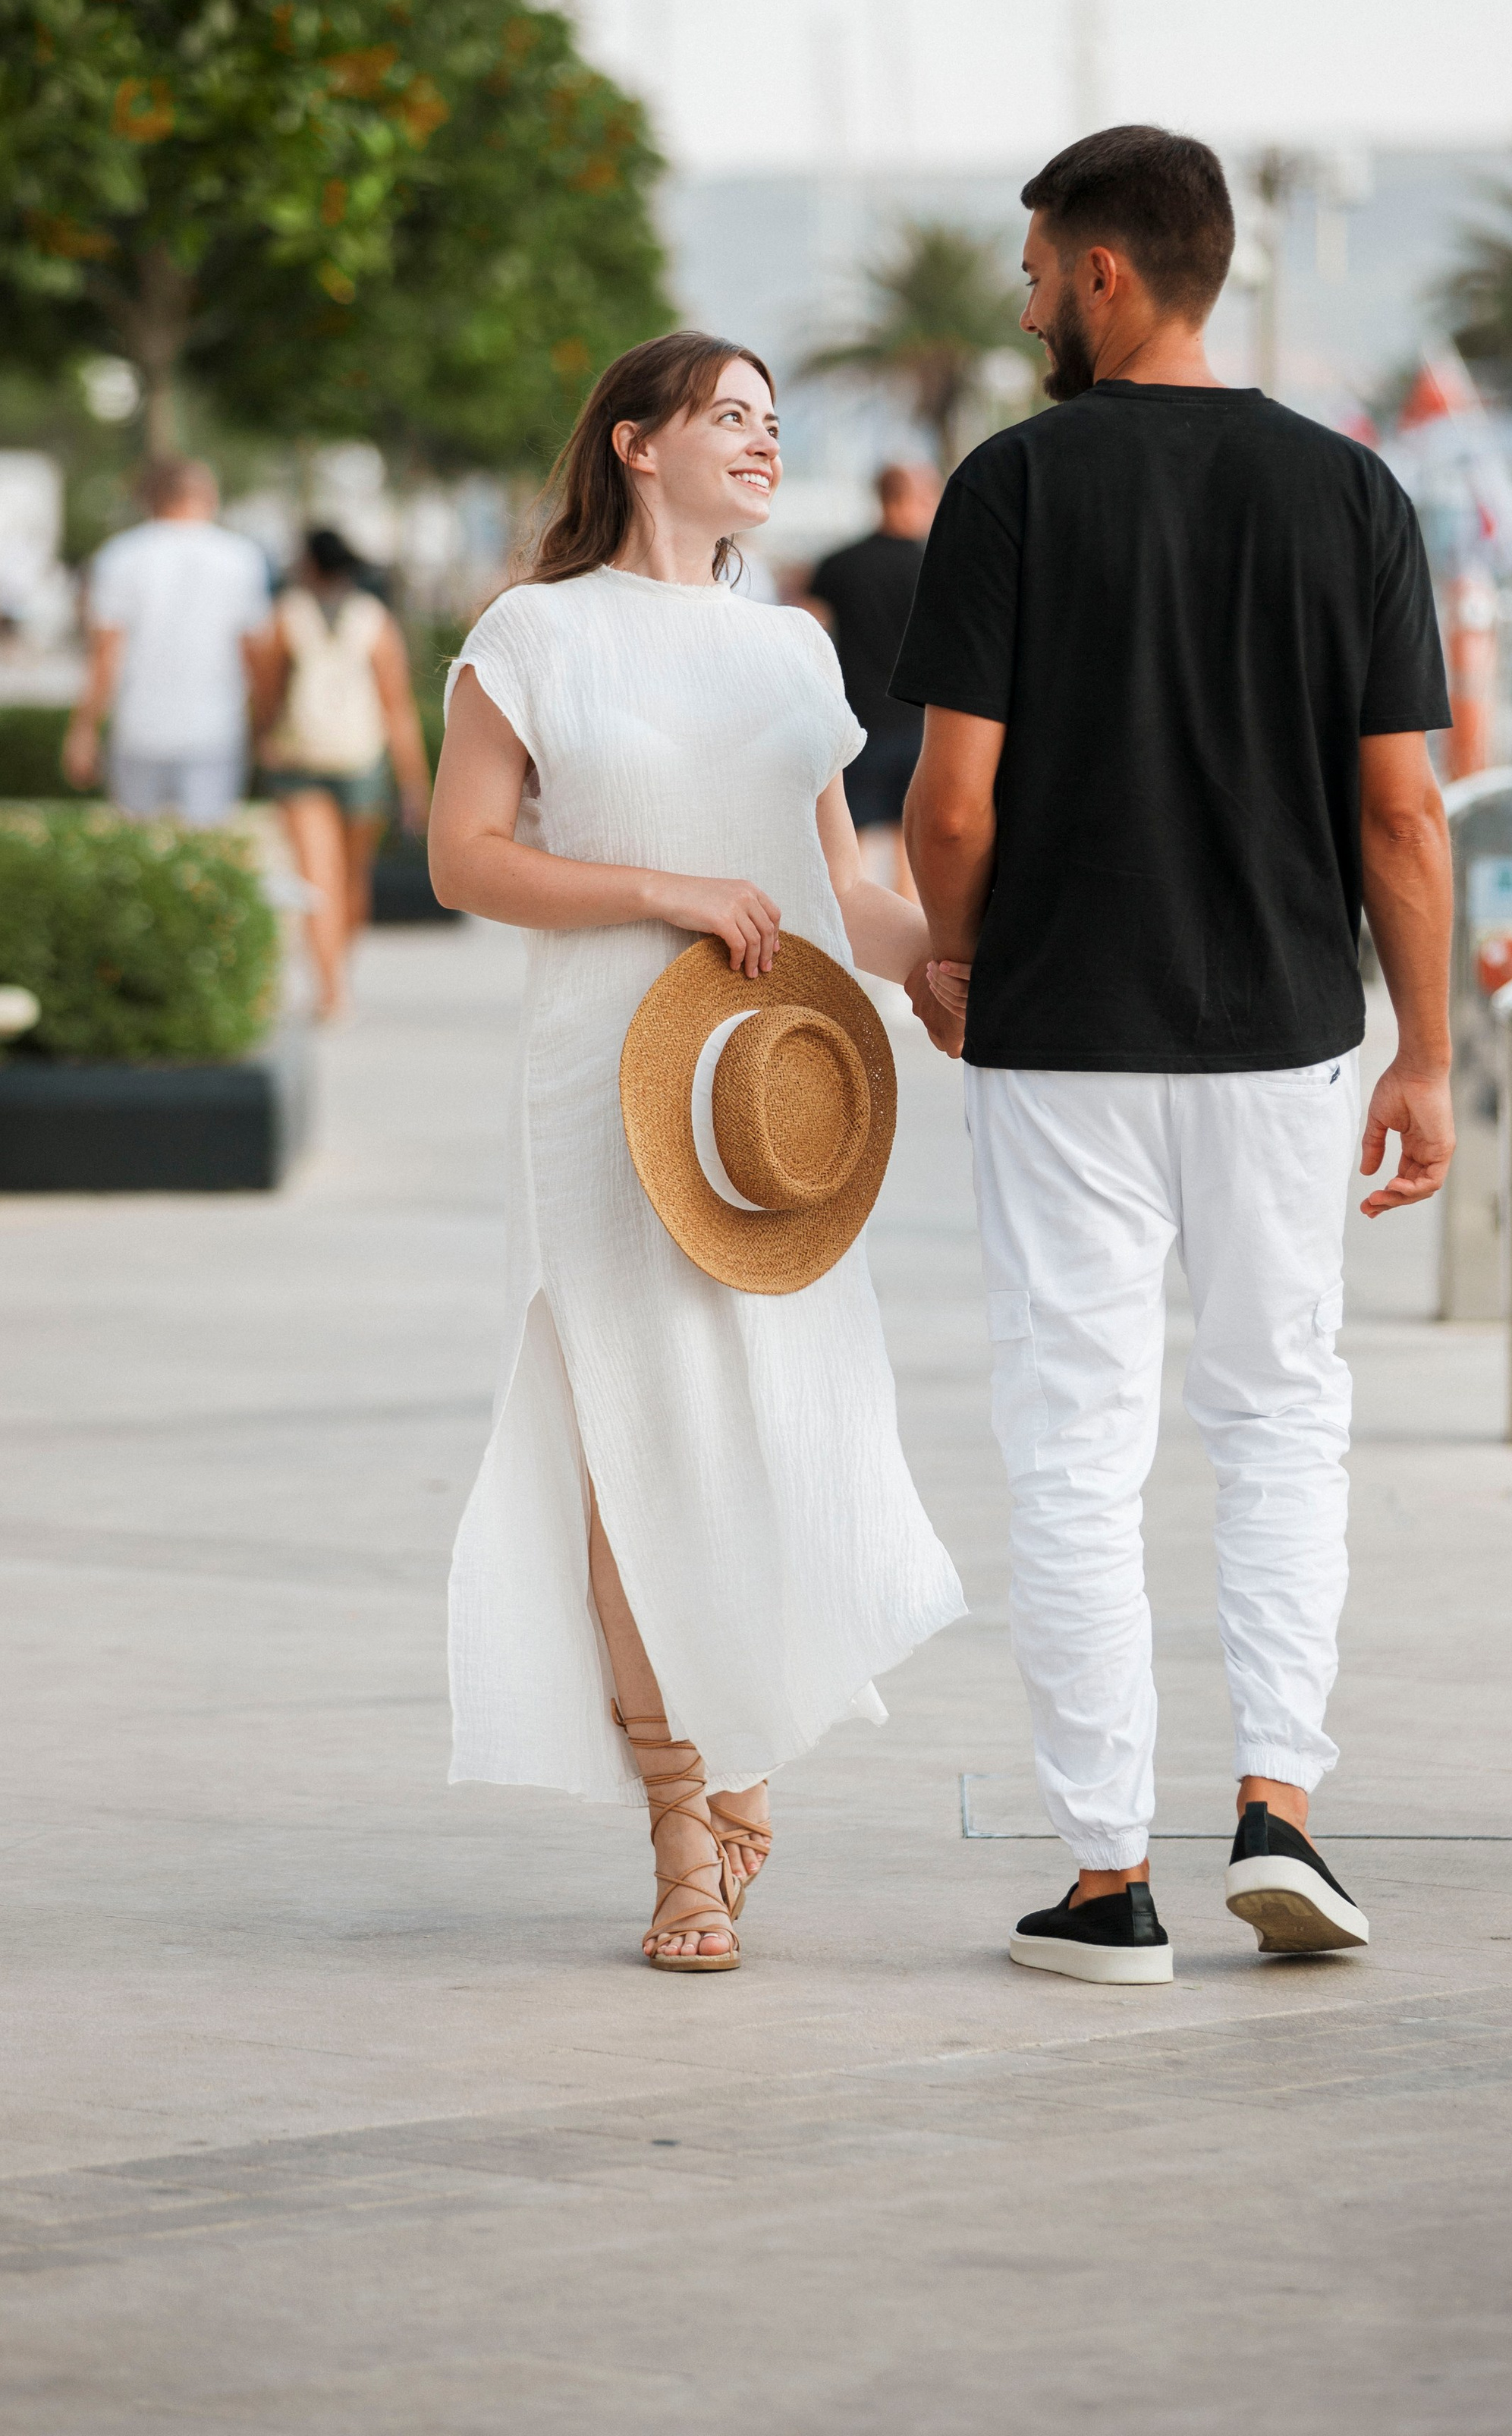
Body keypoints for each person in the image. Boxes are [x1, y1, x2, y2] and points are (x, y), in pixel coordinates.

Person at [894, 124, 1454, 1988]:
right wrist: (1425, 1053)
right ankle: (1276, 1806)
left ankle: (1103, 1872)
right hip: (1284, 1039)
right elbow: (1399, 819)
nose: (1026, 296)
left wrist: (955, 950)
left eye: (1037, 265)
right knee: (1279, 1410)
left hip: (1062, 1039)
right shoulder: (1351, 496)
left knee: (1074, 1435)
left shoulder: (1011, 487)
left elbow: (948, 797)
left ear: (1108, 274)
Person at [428, 331, 966, 1972]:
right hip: (603, 1085)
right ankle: (682, 1823)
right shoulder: (532, 635)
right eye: (727, 418)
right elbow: (462, 861)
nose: (759, 442)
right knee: (630, 1454)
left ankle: (737, 1746)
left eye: (772, 422)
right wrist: (661, 893)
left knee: (781, 1444)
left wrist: (950, 963)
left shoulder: (794, 651)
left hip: (771, 1104)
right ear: (634, 442)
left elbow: (839, 895)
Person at [253, 527, 432, 1020]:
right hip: (361, 763)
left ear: (308, 565)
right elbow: (397, 709)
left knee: (319, 878)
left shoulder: (283, 618)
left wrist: (262, 743)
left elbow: (265, 698)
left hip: (298, 761)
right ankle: (336, 981)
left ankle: (332, 987)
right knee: (350, 879)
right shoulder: (375, 622)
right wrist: (414, 784)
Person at [64, 456, 272, 822]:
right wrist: (265, 725)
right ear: (209, 495)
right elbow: (254, 654)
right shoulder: (241, 558)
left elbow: (104, 656)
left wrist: (84, 731)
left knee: (139, 856)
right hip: (216, 729)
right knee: (207, 856)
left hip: (139, 729)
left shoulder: (120, 556)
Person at [806, 462, 940, 894]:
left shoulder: (837, 565)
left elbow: (811, 639)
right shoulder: (936, 568)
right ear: (907, 499)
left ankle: (851, 952)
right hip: (919, 723)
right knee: (910, 845)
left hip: (857, 720)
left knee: (852, 850)